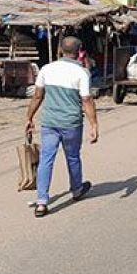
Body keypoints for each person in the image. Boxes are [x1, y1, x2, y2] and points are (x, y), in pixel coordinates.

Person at [25, 36, 98, 218]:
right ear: (79, 52)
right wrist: (94, 124)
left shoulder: (47, 69)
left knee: (46, 159)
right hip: (71, 123)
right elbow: (87, 100)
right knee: (72, 157)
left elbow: (37, 96)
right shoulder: (82, 73)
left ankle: (42, 202)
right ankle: (76, 189)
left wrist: (29, 117)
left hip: (49, 121)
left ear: (60, 50)